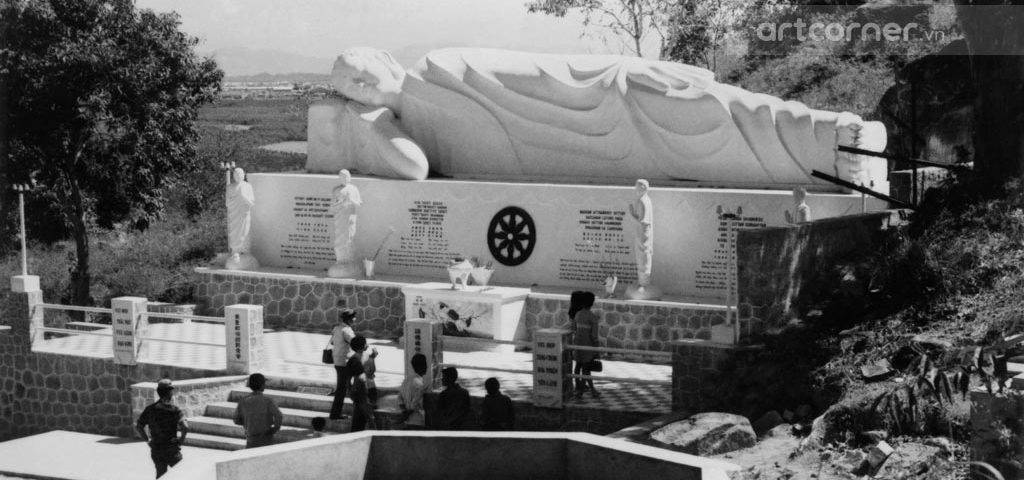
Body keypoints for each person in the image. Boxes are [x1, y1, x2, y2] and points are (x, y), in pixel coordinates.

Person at [308, 47, 889, 192]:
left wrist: (608, 84)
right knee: (700, 153)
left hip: (596, 103)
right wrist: (376, 122)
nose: (362, 88)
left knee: (691, 106)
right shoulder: (398, 125)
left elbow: (536, 74)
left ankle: (823, 134)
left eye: (362, 74)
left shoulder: (438, 65)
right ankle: (824, 161)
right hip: (571, 155)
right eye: (350, 89)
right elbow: (412, 173)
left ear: (384, 59)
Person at [135, 378, 188, 479]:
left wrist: (148, 440)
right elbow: (185, 427)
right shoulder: (175, 410)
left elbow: (139, 426)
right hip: (171, 449)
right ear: (169, 393)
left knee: (161, 475)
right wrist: (181, 440)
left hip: (156, 448)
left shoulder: (150, 409)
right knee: (181, 473)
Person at [327, 169, 362, 278]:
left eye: (346, 177)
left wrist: (350, 199)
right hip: (339, 218)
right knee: (339, 240)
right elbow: (332, 207)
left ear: (350, 177)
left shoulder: (354, 189)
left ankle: (349, 261)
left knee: (349, 238)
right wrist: (341, 203)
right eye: (342, 177)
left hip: (350, 218)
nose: (344, 179)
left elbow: (359, 204)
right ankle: (340, 261)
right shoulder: (336, 190)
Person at [232, 373, 283, 448]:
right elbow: (279, 415)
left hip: (251, 439)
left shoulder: (243, 401)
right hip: (266, 438)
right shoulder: (268, 401)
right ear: (262, 385)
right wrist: (275, 429)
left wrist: (248, 423)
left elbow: (236, 420)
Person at [570, 291, 600, 398]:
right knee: (586, 369)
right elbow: (594, 336)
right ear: (592, 303)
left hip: (578, 345)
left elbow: (573, 329)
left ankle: (585, 389)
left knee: (578, 367)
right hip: (587, 346)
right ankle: (581, 392)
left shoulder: (578, 314)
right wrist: (596, 349)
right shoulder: (593, 317)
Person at [225, 167, 257, 269]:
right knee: (234, 233)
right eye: (235, 174)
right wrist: (236, 199)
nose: (237, 176)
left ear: (244, 175)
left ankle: (245, 251)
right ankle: (235, 251)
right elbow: (227, 203)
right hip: (234, 215)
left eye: (240, 174)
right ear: (233, 176)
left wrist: (243, 197)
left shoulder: (248, 186)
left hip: (244, 214)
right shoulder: (230, 187)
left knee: (245, 232)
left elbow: (252, 203)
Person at [329, 308, 357, 419]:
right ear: (349, 319)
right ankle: (335, 414)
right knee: (342, 388)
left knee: (346, 386)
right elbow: (355, 343)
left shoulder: (336, 328)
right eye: (353, 317)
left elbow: (332, 341)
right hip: (345, 362)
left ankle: (353, 408)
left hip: (337, 361)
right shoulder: (347, 330)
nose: (355, 319)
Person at [347, 335, 375, 432]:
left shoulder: (354, 358)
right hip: (362, 390)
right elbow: (369, 373)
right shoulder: (357, 359)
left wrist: (350, 390)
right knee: (369, 417)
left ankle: (356, 434)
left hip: (360, 390)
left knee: (359, 415)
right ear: (363, 346)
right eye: (365, 343)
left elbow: (348, 377)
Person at [398, 353, 429, 429]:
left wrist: (404, 412)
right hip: (418, 420)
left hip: (407, 421)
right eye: (425, 364)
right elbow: (413, 405)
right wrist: (405, 416)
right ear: (423, 366)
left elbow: (400, 398)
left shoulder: (407, 380)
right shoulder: (421, 385)